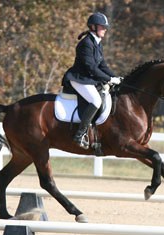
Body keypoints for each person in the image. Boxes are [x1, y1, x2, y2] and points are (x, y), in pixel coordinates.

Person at [62, 12, 123, 149]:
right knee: (96, 101)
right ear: (93, 27)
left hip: (88, 79)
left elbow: (102, 65)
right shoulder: (86, 44)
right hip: (78, 79)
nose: (105, 29)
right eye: (102, 27)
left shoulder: (97, 44)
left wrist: (116, 77)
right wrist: (109, 79)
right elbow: (91, 68)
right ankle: (80, 134)